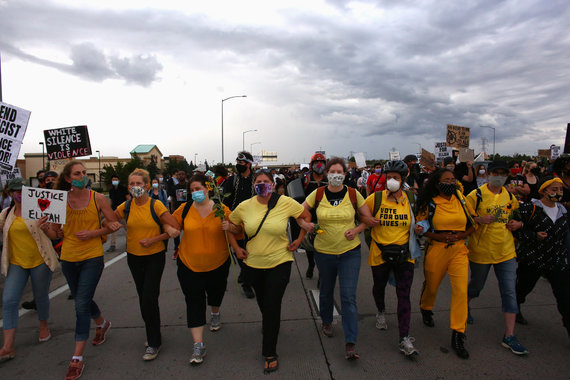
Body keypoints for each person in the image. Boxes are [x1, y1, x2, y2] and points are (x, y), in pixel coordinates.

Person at [228, 169, 311, 373]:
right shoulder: (244, 206)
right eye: (258, 181)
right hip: (253, 263)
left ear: (273, 184)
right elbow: (232, 227)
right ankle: (269, 324)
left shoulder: (284, 202)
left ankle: (269, 352)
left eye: (266, 181)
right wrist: (237, 248)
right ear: (254, 184)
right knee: (264, 303)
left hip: (280, 261)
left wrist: (299, 240)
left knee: (272, 305)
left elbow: (305, 216)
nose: (262, 184)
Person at [55, 160, 121, 380]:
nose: (82, 176)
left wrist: (94, 233)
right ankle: (102, 323)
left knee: (81, 304)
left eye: (84, 172)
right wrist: (46, 226)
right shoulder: (59, 201)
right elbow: (55, 234)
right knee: (83, 300)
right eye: (77, 173)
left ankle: (77, 358)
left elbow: (113, 222)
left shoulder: (98, 198)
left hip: (92, 257)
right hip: (68, 258)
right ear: (67, 179)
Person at [302, 157, 373, 360]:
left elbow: (366, 219)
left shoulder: (353, 194)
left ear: (345, 174)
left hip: (350, 252)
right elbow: (300, 211)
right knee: (326, 289)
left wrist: (357, 229)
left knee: (348, 296)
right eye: (332, 171)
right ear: (326, 174)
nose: (335, 175)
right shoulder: (318, 193)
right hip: (324, 253)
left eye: (339, 172)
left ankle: (350, 342)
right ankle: (326, 320)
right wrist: (306, 225)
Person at [115, 169, 180, 361]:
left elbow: (175, 226)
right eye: (132, 184)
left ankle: (154, 342)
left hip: (154, 256)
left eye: (139, 184)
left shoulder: (156, 204)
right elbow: (109, 218)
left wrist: (155, 239)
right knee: (143, 297)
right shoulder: (126, 206)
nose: (135, 187)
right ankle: (153, 334)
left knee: (149, 298)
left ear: (146, 185)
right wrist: (110, 224)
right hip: (134, 257)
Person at [465, 160, 529, 356]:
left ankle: (509, 336)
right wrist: (478, 219)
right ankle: (465, 304)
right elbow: (463, 219)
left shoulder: (510, 195)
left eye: (503, 173)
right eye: (496, 172)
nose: (499, 176)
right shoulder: (475, 195)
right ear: (488, 174)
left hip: (506, 251)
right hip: (481, 251)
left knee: (509, 291)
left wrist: (517, 224)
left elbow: (517, 215)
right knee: (476, 286)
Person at [173, 173, 236, 365]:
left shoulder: (220, 208)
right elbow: (172, 225)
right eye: (192, 190)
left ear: (207, 189)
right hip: (189, 264)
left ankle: (215, 312)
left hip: (218, 263)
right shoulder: (183, 210)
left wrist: (231, 227)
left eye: (198, 189)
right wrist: (169, 230)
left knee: (216, 293)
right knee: (194, 301)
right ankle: (198, 344)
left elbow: (239, 228)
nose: (195, 193)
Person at [415, 168, 476, 359]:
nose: (450, 183)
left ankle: (458, 333)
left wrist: (460, 235)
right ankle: (426, 307)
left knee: (461, 291)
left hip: (459, 250)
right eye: (446, 180)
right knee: (432, 286)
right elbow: (421, 228)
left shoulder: (462, 200)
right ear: (436, 183)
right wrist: (438, 236)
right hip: (437, 248)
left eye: (453, 180)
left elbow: (474, 224)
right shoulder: (429, 203)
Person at [365, 160, 422, 357]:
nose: (392, 181)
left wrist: (423, 226)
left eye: (396, 178)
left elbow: (424, 219)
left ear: (403, 179)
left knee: (403, 295)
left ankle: (404, 337)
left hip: (404, 255)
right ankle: (380, 311)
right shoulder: (376, 198)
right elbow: (361, 213)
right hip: (379, 252)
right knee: (378, 286)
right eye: (389, 177)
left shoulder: (411, 199)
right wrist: (367, 220)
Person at [0, 178, 59, 362]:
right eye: (16, 191)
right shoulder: (6, 213)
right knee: (9, 300)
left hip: (40, 260)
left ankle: (43, 325)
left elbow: (54, 235)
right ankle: (8, 346)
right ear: (10, 193)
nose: (19, 194)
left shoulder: (39, 210)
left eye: (22, 190)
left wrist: (46, 227)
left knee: (40, 296)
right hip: (17, 263)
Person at [513, 176, 569, 337]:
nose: (558, 193)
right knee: (523, 288)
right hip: (533, 258)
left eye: (560, 189)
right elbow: (514, 229)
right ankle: (515, 308)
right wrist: (533, 235)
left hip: (557, 260)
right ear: (543, 191)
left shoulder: (563, 211)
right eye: (554, 189)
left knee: (565, 297)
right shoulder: (529, 209)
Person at [222, 151, 257, 298]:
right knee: (238, 250)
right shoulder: (232, 180)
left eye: (241, 163)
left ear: (248, 164)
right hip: (235, 221)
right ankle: (245, 275)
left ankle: (246, 283)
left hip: (253, 220)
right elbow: (225, 199)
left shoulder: (256, 180)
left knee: (250, 251)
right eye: (237, 162)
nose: (238, 165)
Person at [298, 152, 328, 279]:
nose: (319, 165)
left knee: (323, 247)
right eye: (316, 163)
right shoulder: (305, 179)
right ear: (311, 165)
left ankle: (322, 273)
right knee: (310, 246)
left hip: (326, 218)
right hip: (310, 218)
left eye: (321, 163)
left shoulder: (329, 179)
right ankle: (311, 265)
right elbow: (296, 197)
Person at [107, 174, 130, 252]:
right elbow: (111, 201)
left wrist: (128, 210)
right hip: (114, 212)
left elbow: (128, 199)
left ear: (119, 180)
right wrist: (109, 211)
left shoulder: (123, 189)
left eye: (116, 179)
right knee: (113, 228)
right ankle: (112, 245)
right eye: (113, 180)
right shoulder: (111, 190)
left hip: (123, 212)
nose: (114, 181)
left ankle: (129, 243)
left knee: (127, 228)